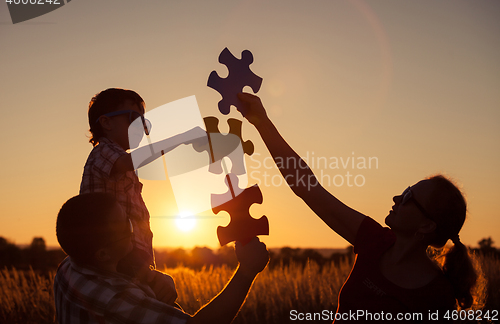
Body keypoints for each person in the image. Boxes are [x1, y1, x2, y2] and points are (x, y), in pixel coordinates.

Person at [236, 92, 477, 322]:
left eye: (408, 196)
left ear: (427, 225)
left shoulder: (436, 297)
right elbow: (308, 188)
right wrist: (261, 121)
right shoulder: (375, 240)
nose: (396, 198)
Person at [54, 193, 269, 324]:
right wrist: (247, 271)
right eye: (125, 226)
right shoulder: (116, 300)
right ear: (102, 254)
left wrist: (147, 276)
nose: (132, 229)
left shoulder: (67, 268)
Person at [80, 88, 204, 299]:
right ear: (106, 123)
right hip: (115, 256)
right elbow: (129, 161)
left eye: (145, 123)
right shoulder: (104, 152)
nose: (142, 129)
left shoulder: (121, 162)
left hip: (130, 258)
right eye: (134, 120)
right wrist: (181, 138)